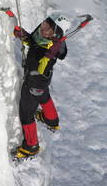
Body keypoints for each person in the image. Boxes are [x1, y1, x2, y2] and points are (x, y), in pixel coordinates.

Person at [13, 13, 71, 159]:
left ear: (55, 35)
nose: (43, 29)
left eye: (48, 29)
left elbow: (47, 55)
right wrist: (24, 35)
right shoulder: (46, 40)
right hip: (42, 83)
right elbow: (34, 42)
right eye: (44, 24)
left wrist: (47, 57)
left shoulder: (50, 50)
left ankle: (31, 146)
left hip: (33, 84)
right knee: (44, 96)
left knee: (26, 114)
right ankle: (51, 120)